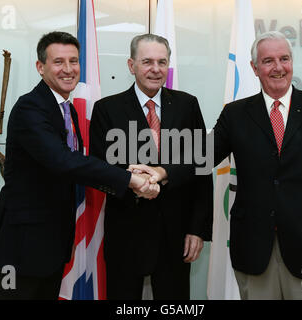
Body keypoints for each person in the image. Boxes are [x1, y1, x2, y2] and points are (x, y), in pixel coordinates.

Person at [0, 31, 159, 300]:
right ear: (40, 67)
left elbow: (76, 163)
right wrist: (129, 180)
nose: (68, 69)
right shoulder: (30, 108)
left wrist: (126, 174)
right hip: (19, 251)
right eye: (58, 62)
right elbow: (63, 160)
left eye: (74, 61)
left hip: (51, 248)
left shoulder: (65, 108)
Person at [210, 31, 302, 299]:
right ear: (255, 68)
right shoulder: (235, 114)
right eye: (268, 61)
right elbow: (202, 155)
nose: (278, 68)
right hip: (256, 251)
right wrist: (159, 171)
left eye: (284, 59)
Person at [89, 33, 213, 300]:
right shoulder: (106, 109)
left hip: (176, 235)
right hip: (126, 234)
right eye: (147, 62)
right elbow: (98, 169)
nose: (156, 69)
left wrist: (197, 228)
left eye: (162, 62)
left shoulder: (187, 105)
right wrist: (135, 185)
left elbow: (201, 167)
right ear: (131, 65)